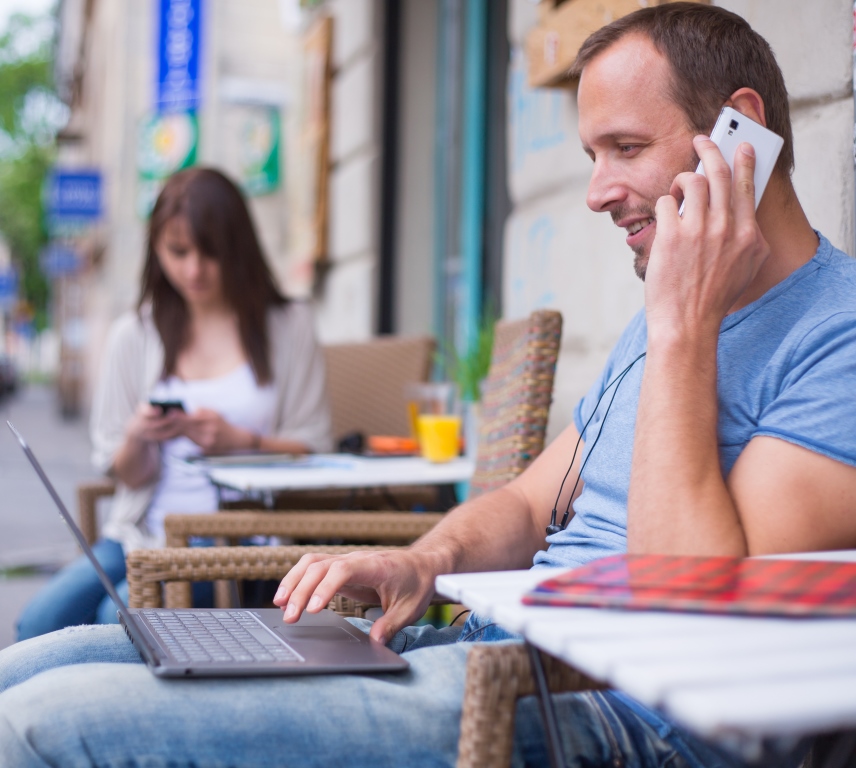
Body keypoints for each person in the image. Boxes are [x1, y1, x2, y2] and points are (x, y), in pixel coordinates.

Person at [2, 4, 855, 765]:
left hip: (615, 713)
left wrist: (683, 325)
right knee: (34, 667)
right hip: (492, 646)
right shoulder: (663, 320)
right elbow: (526, 507)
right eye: (593, 155)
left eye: (625, 148)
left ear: (739, 134)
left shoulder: (827, 336)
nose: (598, 192)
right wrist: (422, 559)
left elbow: (691, 624)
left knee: (44, 724)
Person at [15, 167, 332, 641]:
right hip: (141, 533)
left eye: (211, 252)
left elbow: (317, 448)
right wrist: (139, 438)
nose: (194, 270)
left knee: (113, 618)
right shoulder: (135, 334)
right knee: (38, 622)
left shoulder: (288, 326)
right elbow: (125, 472)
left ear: (238, 248)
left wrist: (240, 440)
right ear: (156, 249)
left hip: (237, 546)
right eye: (177, 252)